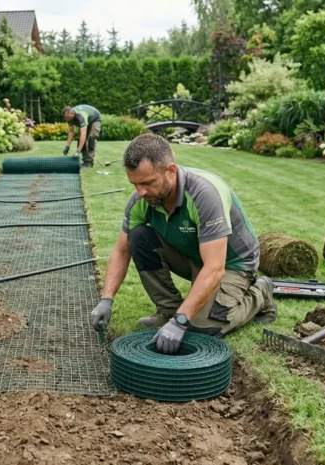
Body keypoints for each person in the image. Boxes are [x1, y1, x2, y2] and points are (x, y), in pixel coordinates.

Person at [88, 133, 276, 354]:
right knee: (137, 236)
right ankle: (168, 310)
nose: (140, 192)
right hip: (194, 255)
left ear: (171, 171)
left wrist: (181, 321)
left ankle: (261, 293)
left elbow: (215, 268)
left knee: (204, 328)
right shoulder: (140, 200)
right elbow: (121, 251)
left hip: (231, 264)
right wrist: (106, 299)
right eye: (135, 184)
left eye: (147, 183)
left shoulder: (204, 195)